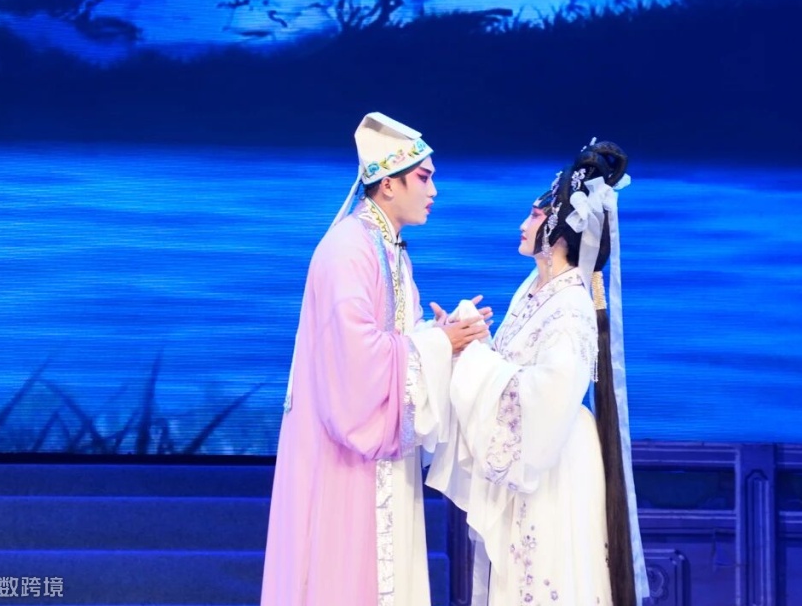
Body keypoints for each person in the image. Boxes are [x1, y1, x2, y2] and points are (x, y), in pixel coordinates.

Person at [260, 112, 492, 606]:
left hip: (379, 448)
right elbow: (354, 357)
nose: (434, 191)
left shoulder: (389, 248)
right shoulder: (349, 249)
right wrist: (437, 344)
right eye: (424, 178)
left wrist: (440, 334)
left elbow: (392, 339)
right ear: (388, 184)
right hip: (346, 452)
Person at [427, 140, 649, 605]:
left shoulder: (571, 306)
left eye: (532, 216)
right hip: (535, 455)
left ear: (558, 231)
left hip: (553, 457)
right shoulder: (534, 289)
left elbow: (545, 393)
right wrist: (463, 341)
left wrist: (474, 358)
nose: (522, 224)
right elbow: (513, 369)